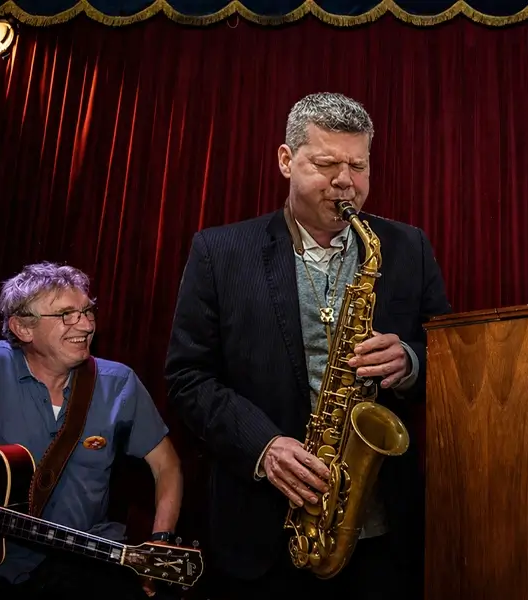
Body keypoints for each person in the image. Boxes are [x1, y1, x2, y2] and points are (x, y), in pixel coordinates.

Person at [164, 92, 450, 599]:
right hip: (263, 529)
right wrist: (264, 446)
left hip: (382, 532)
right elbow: (188, 378)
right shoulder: (220, 251)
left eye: (358, 166)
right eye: (326, 163)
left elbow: (450, 358)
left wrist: (409, 360)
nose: (346, 181)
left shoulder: (409, 247)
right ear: (285, 160)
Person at [0, 262, 183, 599]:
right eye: (66, 315)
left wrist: (162, 538)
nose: (85, 324)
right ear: (23, 328)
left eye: (87, 310)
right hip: (5, 565)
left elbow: (166, 465)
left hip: (87, 561)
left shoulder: (118, 384)